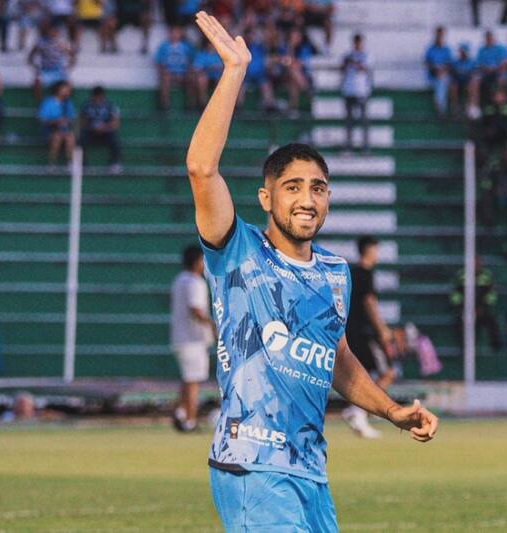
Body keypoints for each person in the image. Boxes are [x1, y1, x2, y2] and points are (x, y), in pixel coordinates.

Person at [187, 12, 437, 532]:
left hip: (310, 471)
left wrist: (390, 410)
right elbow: (202, 169)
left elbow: (337, 359)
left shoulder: (334, 272)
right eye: (293, 186)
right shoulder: (237, 250)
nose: (307, 198)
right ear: (266, 197)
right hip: (251, 464)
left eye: (318, 187)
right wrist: (234, 71)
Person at [341, 236, 397, 439]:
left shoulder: (352, 273)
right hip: (364, 333)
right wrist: (382, 329)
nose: (376, 253)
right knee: (388, 372)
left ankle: (358, 413)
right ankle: (360, 411)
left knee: (362, 374)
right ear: (368, 250)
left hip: (350, 331)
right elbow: (369, 303)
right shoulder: (365, 274)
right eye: (374, 249)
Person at [170, 246, 214, 433]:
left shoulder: (179, 280)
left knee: (188, 380)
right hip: (192, 339)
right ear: (197, 261)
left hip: (180, 337)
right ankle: (190, 421)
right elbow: (195, 309)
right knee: (193, 381)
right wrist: (213, 325)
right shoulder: (195, 282)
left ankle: (180, 413)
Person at [450, 255, 502, 352]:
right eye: (473, 263)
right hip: (465, 310)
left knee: (493, 321)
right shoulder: (461, 276)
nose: (476, 265)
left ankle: (496, 348)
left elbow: (492, 294)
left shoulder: (487, 276)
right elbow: (455, 295)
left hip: (482, 309)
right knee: (460, 322)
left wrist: (483, 307)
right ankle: (464, 349)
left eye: (478, 263)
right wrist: (464, 307)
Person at [340, 33, 372, 152]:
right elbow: (342, 68)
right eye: (356, 42)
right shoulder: (347, 55)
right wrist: (347, 63)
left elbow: (364, 68)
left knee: (363, 120)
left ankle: (365, 145)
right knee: (349, 121)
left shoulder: (367, 55)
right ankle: (348, 145)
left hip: (361, 91)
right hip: (348, 90)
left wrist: (351, 62)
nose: (357, 44)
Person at [79, 85, 121, 173]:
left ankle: (115, 163)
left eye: (100, 97)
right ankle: (82, 164)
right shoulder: (86, 106)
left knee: (114, 138)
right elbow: (82, 122)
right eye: (96, 97)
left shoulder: (110, 106)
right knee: (81, 138)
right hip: (91, 131)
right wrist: (93, 127)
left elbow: (116, 123)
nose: (98, 99)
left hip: (106, 131)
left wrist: (105, 127)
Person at [28, 24, 74, 101]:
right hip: (45, 70)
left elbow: (71, 54)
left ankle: (63, 105)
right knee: (37, 83)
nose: (52, 33)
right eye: (50, 31)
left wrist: (69, 66)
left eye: (54, 31)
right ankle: (40, 103)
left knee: (69, 86)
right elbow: (31, 56)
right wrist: (35, 67)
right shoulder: (41, 42)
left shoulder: (61, 43)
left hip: (58, 70)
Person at [154, 25, 194, 110]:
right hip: (169, 73)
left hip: (183, 72)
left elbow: (192, 61)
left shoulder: (186, 46)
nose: (175, 34)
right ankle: (165, 105)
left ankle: (190, 105)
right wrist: (162, 71)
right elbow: (158, 61)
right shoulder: (163, 46)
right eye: (173, 32)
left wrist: (188, 71)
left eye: (177, 32)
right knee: (165, 77)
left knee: (191, 78)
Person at [37, 80, 75, 169]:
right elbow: (42, 119)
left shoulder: (68, 103)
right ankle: (52, 162)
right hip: (50, 130)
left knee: (70, 137)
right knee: (57, 137)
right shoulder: (48, 102)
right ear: (58, 89)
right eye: (65, 88)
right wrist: (56, 121)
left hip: (64, 130)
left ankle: (70, 162)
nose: (67, 91)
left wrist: (67, 121)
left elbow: (71, 118)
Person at [424, 26, 452, 116]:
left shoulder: (446, 49)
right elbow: (427, 63)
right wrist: (435, 70)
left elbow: (449, 64)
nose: (440, 36)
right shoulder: (430, 49)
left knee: (442, 81)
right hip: (433, 74)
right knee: (440, 81)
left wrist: (442, 70)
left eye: (441, 35)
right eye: (438, 34)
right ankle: (441, 109)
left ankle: (440, 106)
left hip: (443, 74)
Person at [475, 30, 507, 97]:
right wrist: (487, 69)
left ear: (493, 38)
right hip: (486, 73)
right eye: (487, 38)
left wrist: (495, 68)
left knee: (501, 79)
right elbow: (478, 65)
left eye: (490, 37)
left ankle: (500, 102)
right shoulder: (481, 50)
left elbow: (505, 63)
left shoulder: (501, 48)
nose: (489, 39)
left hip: (499, 72)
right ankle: (475, 105)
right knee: (475, 82)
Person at [450, 42, 478, 118]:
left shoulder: (472, 62)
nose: (462, 53)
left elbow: (474, 73)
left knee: (473, 84)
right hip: (458, 82)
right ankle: (454, 107)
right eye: (461, 51)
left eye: (464, 52)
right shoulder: (455, 62)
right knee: (453, 86)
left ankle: (471, 107)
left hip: (468, 82)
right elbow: (453, 73)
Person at [192, 40, 223, 109]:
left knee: (221, 79)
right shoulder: (201, 54)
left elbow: (220, 68)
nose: (212, 46)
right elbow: (196, 68)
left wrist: (207, 67)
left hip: (216, 78)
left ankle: (218, 105)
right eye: (210, 44)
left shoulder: (219, 55)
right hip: (205, 78)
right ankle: (203, 104)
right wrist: (209, 68)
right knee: (202, 79)